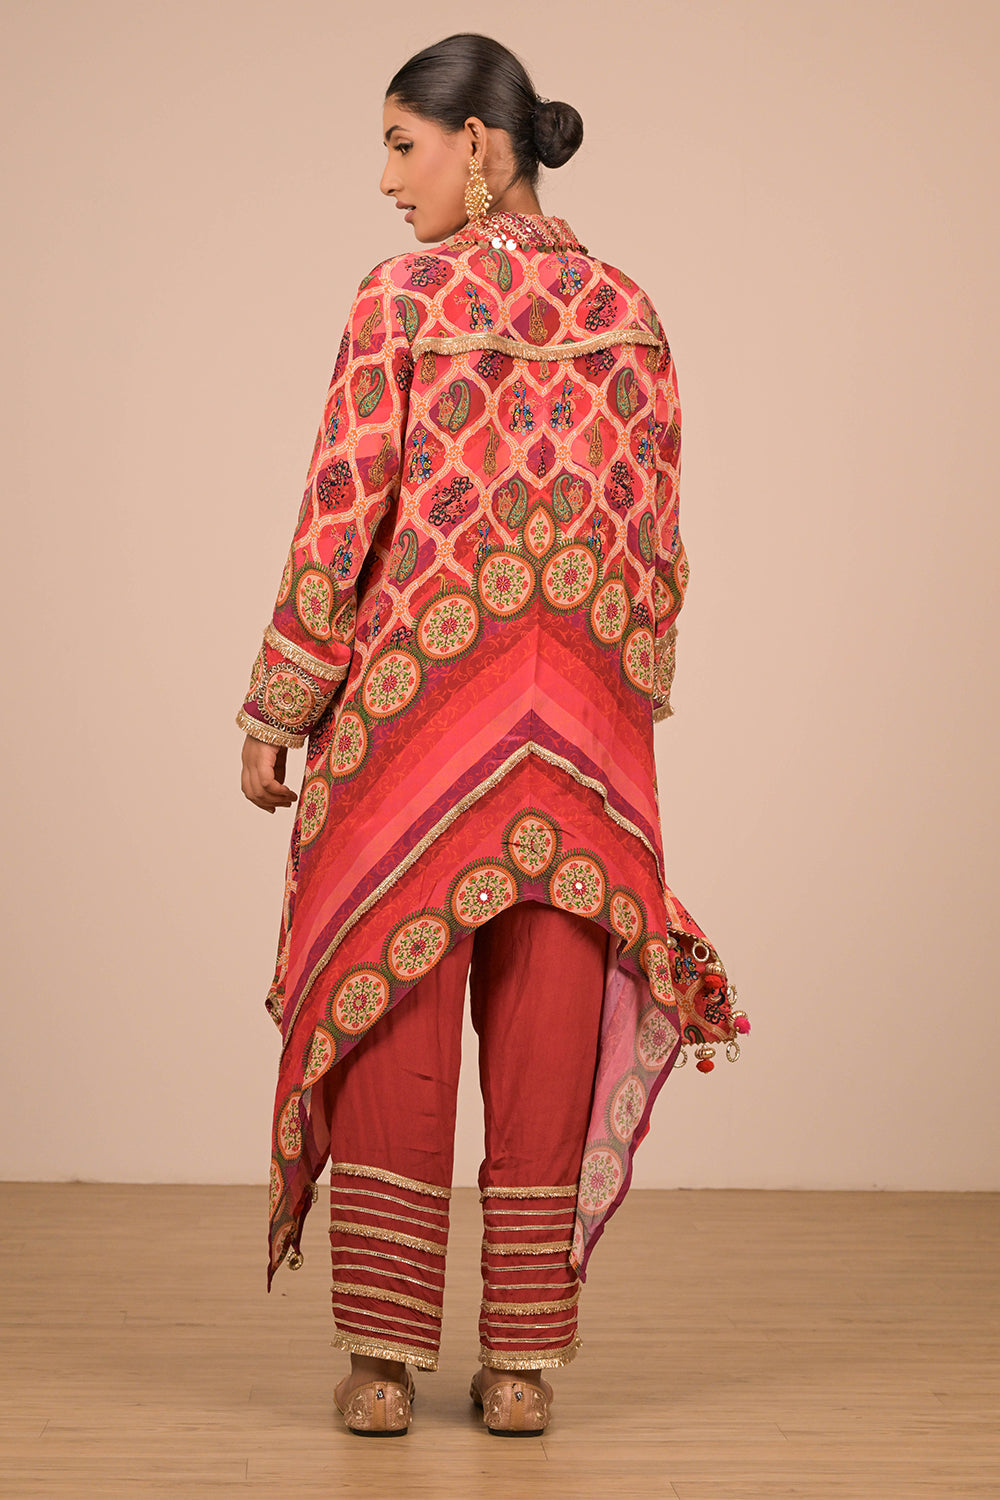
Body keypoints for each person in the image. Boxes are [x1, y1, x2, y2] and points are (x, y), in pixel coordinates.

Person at [236, 32, 750, 1438]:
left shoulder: (400, 301)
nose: (386, 180)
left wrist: (282, 704)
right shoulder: (630, 311)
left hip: (413, 726)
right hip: (580, 739)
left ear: (480, 143)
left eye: (402, 145)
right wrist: (621, 697)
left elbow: (341, 511)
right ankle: (519, 1367)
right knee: (546, 1032)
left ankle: (383, 1364)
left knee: (395, 1018)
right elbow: (659, 545)